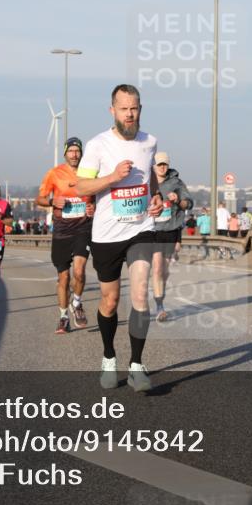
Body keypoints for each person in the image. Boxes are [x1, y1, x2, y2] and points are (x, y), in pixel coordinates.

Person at [75, 84, 164, 392]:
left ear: (141, 109)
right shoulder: (97, 145)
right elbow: (81, 187)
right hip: (106, 234)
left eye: (135, 108)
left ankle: (137, 365)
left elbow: (149, 173)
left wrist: (157, 196)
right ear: (112, 110)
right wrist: (112, 177)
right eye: (124, 109)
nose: (130, 114)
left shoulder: (149, 141)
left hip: (141, 228)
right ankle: (109, 357)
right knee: (110, 301)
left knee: (140, 294)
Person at [36, 137, 95, 334]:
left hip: (83, 228)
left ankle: (76, 303)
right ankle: (63, 317)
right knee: (63, 278)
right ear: (65, 153)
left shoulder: (91, 172)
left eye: (77, 151)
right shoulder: (54, 173)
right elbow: (40, 198)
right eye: (71, 151)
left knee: (79, 271)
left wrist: (93, 205)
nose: (74, 154)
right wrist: (53, 201)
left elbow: (98, 195)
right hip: (62, 230)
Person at [150, 151, 192, 322]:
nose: (162, 167)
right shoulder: (146, 181)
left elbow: (188, 203)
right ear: (153, 166)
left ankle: (159, 301)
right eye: (159, 164)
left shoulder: (176, 182)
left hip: (169, 230)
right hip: (151, 231)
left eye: (165, 164)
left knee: (163, 272)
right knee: (156, 268)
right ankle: (155, 306)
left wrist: (178, 201)